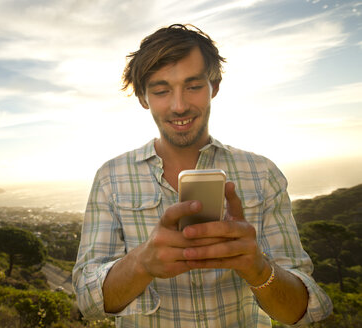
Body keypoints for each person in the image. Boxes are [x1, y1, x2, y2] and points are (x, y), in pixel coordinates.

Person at [72, 24, 332, 327]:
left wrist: (258, 269)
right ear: (143, 98)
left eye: (193, 86)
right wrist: (142, 263)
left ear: (214, 87)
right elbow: (88, 302)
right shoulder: (110, 178)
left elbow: (307, 310)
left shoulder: (263, 175)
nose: (179, 105)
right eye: (161, 91)